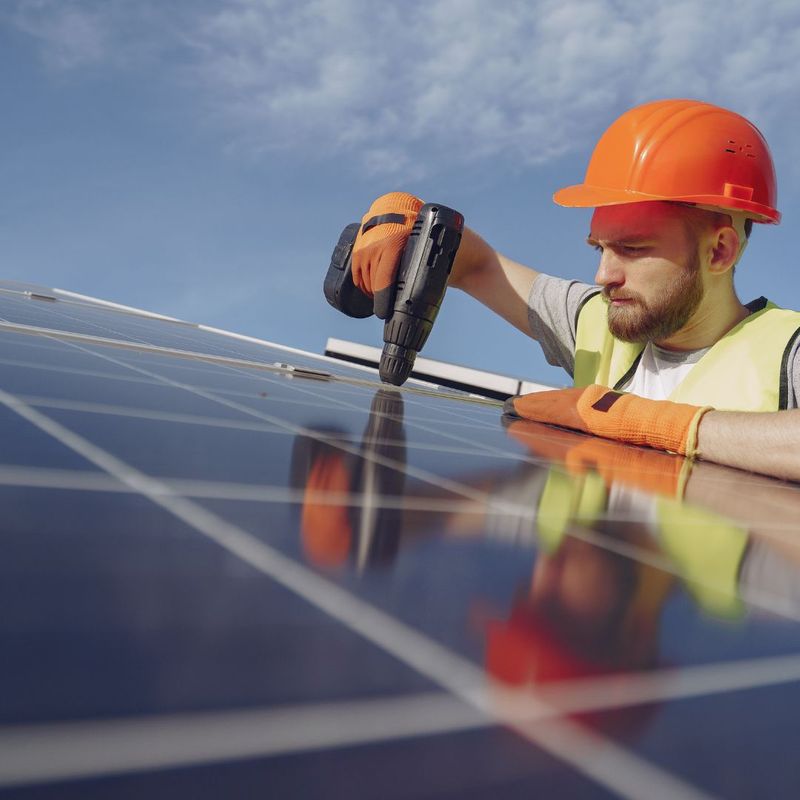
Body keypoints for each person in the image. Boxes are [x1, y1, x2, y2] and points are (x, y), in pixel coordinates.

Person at [349, 99, 800, 481]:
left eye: (632, 248)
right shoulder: (599, 323)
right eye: (599, 247)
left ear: (720, 252)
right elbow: (477, 265)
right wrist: (406, 219)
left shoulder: (786, 351)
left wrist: (650, 424)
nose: (604, 275)